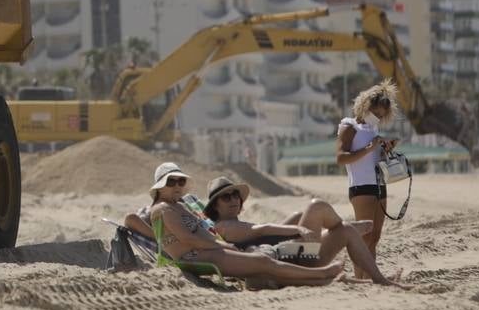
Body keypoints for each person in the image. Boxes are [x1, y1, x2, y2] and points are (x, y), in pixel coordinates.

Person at [133, 163, 345, 287]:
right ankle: (322, 274)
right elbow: (188, 240)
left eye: (180, 181)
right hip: (195, 257)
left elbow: (203, 233)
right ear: (160, 187)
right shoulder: (162, 209)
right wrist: (223, 246)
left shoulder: (178, 206)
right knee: (263, 261)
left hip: (209, 251)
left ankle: (319, 276)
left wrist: (222, 245)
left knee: (263, 263)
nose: (177, 186)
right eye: (171, 182)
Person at [203, 176, 402, 286]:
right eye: (226, 197)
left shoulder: (237, 224)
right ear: (215, 206)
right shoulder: (223, 226)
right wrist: (296, 229)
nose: (234, 200)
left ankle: (379, 279)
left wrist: (294, 224)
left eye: (235, 195)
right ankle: (340, 225)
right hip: (285, 259)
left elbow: (262, 236)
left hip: (292, 255)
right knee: (316, 206)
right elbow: (262, 229)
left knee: (345, 230)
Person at [336, 80, 399, 279]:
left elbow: (373, 158)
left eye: (381, 116)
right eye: (376, 114)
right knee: (363, 237)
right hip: (361, 186)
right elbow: (340, 158)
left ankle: (369, 277)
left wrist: (384, 149)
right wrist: (369, 148)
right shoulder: (349, 126)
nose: (377, 118)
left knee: (374, 237)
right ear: (365, 106)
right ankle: (358, 278)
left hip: (379, 184)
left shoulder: (373, 130)